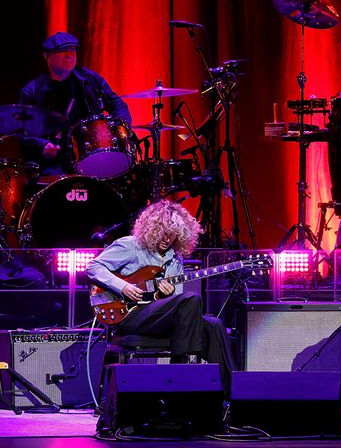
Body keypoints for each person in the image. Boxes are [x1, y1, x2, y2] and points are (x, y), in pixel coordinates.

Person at [86, 201, 235, 385]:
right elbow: (93, 267)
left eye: (172, 235)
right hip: (128, 316)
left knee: (214, 325)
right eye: (163, 232)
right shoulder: (131, 246)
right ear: (153, 228)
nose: (167, 239)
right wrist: (122, 286)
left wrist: (170, 293)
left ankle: (229, 394)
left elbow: (179, 305)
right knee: (192, 299)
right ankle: (181, 374)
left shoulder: (175, 259)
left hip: (158, 318)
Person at [19, 32, 131, 175]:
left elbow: (118, 105)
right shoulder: (31, 91)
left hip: (91, 154)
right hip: (51, 162)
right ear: (47, 56)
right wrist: (42, 145)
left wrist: (121, 127)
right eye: (63, 51)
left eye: (72, 50)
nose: (69, 55)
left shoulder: (90, 80)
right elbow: (22, 132)